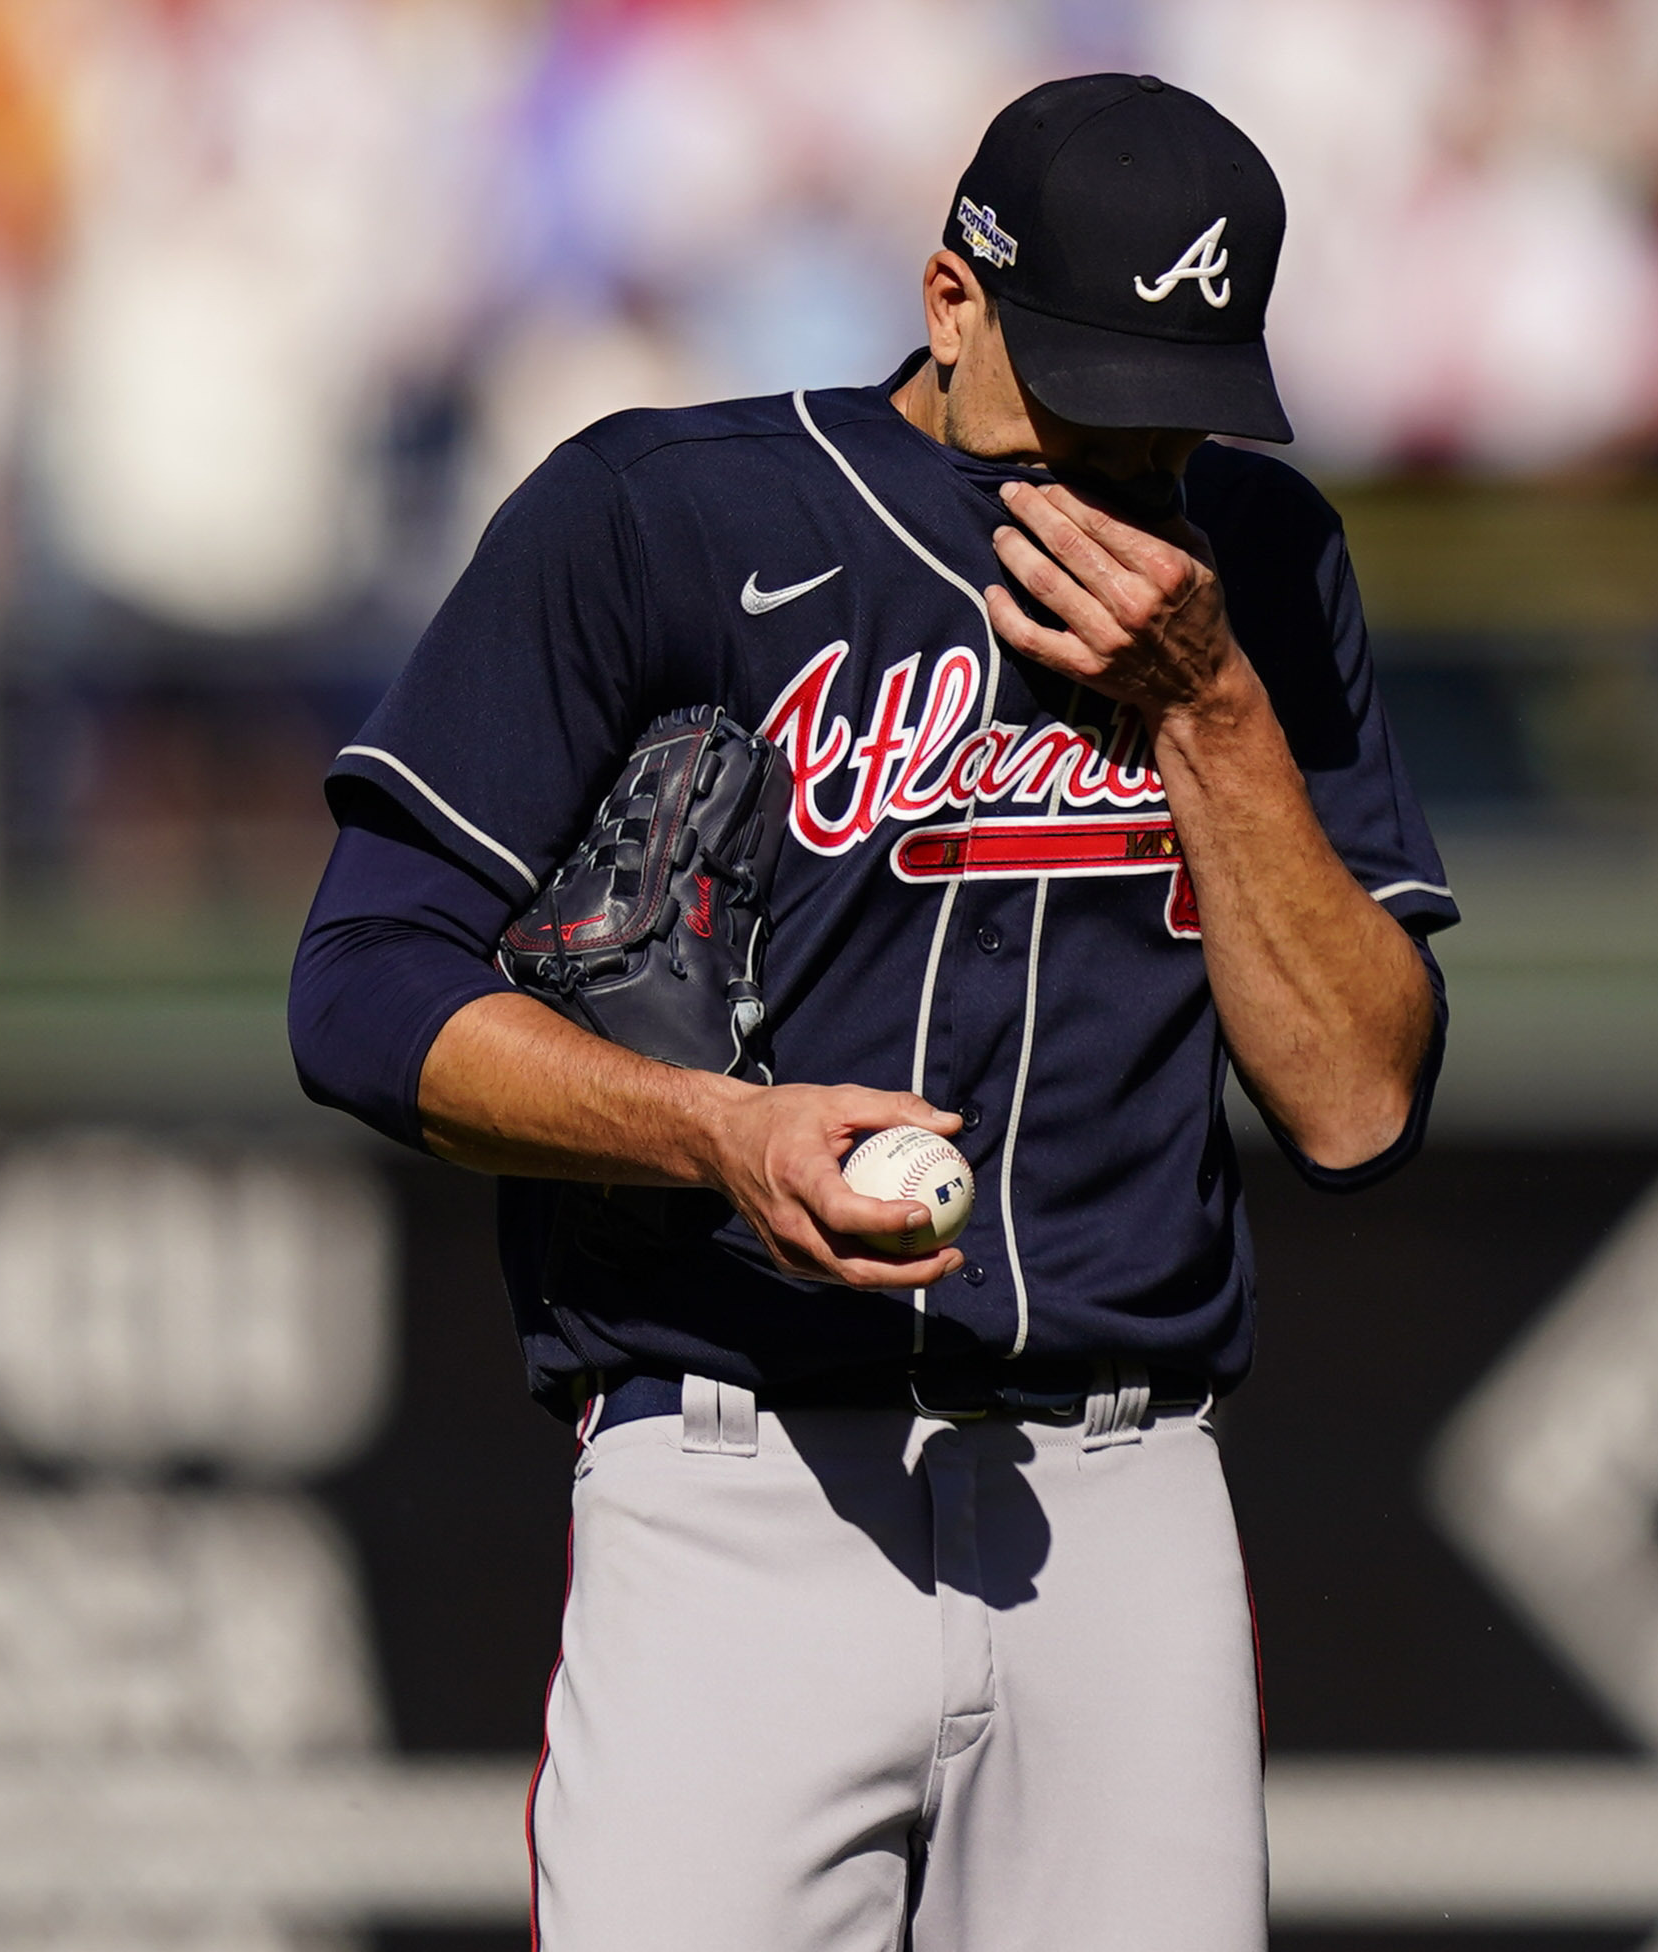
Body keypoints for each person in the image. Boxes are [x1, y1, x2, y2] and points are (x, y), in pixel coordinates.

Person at [289, 72, 1454, 1951]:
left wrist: (1216, 713)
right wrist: (713, 1133)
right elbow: (359, 987)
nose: (1134, 457)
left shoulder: (1257, 572)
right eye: (1091, 385)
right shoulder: (659, 516)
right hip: (744, 1485)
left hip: (1121, 1497)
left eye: (1182, 403)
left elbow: (1356, 1103)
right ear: (949, 299)